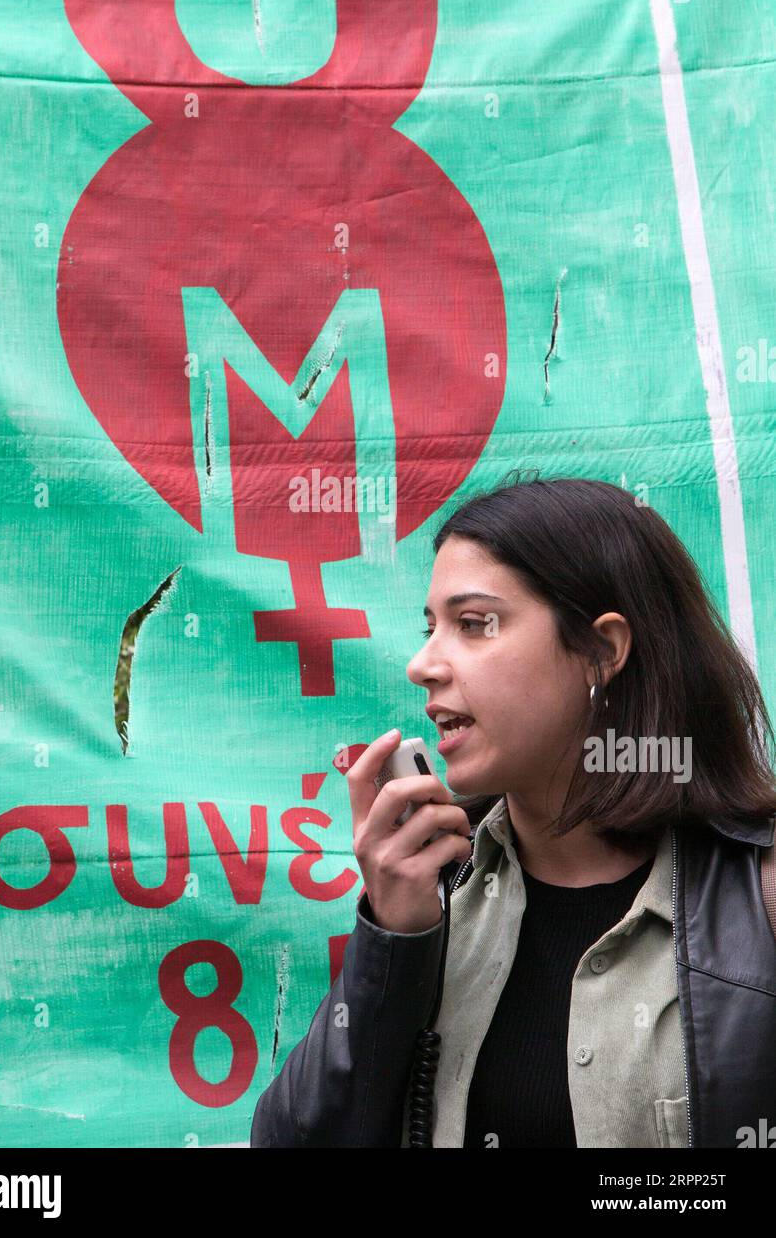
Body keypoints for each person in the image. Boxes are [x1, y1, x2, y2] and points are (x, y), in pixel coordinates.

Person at [250, 472, 776, 1148]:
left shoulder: (757, 895)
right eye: (430, 628)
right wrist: (395, 938)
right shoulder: (438, 893)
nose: (422, 664)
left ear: (600, 651)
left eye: (474, 625)